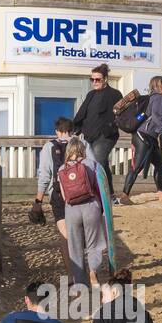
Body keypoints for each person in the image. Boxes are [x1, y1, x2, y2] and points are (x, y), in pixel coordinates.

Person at [57, 138, 111, 288]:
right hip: (90, 207)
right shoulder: (92, 165)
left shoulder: (62, 169)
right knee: (94, 244)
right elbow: (101, 190)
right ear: (83, 150)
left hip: (71, 210)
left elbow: (64, 196)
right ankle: (93, 272)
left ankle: (80, 284)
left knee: (75, 248)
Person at [73, 63, 123, 204]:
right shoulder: (91, 95)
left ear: (105, 79)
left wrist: (111, 124)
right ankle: (111, 195)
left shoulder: (115, 94)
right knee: (102, 165)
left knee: (97, 162)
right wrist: (76, 129)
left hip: (106, 135)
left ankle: (101, 196)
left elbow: (122, 114)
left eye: (98, 79)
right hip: (89, 134)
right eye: (92, 79)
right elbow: (82, 113)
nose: (94, 82)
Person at [120, 74, 162, 201]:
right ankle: (125, 195)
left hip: (148, 136)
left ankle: (161, 193)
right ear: (159, 85)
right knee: (136, 166)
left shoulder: (152, 98)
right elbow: (157, 117)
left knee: (159, 163)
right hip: (144, 136)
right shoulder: (158, 98)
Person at [35, 117, 73, 251]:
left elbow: (44, 176)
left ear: (57, 131)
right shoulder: (82, 144)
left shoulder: (49, 147)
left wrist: (38, 201)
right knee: (78, 231)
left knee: (66, 237)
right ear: (71, 130)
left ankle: (73, 271)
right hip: (81, 195)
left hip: (58, 195)